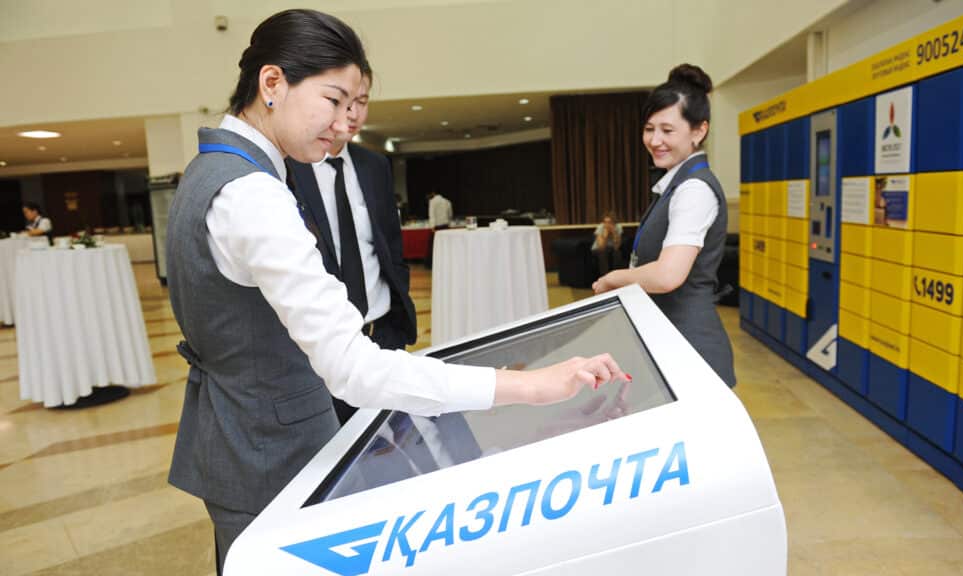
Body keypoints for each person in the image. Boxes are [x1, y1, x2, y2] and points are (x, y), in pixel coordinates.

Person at [163, 10, 627, 574]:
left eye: (353, 105)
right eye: (333, 100)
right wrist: (528, 386)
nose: (343, 123)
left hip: (243, 436)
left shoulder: (211, 168)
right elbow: (353, 368)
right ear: (272, 83)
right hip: (271, 453)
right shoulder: (253, 194)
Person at [286, 69, 417, 424]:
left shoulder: (374, 165)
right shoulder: (287, 168)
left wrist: (394, 311)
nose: (353, 113)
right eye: (341, 102)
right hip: (326, 349)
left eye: (362, 102)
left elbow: (390, 245)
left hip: (382, 334)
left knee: (396, 442)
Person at [593, 63, 736, 388]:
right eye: (649, 128)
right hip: (670, 339)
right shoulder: (674, 184)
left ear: (699, 131)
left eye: (668, 131)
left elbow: (668, 275)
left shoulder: (694, 189)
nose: (655, 140)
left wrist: (616, 278)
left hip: (691, 347)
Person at [591, 210, 624, 276]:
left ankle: (616, 277)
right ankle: (605, 277)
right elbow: (601, 247)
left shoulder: (618, 227)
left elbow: (617, 247)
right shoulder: (601, 227)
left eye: (609, 222)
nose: (607, 225)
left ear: (614, 223)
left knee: (617, 254)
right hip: (598, 249)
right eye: (605, 222)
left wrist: (614, 234)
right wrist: (605, 236)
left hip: (612, 248)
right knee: (603, 253)